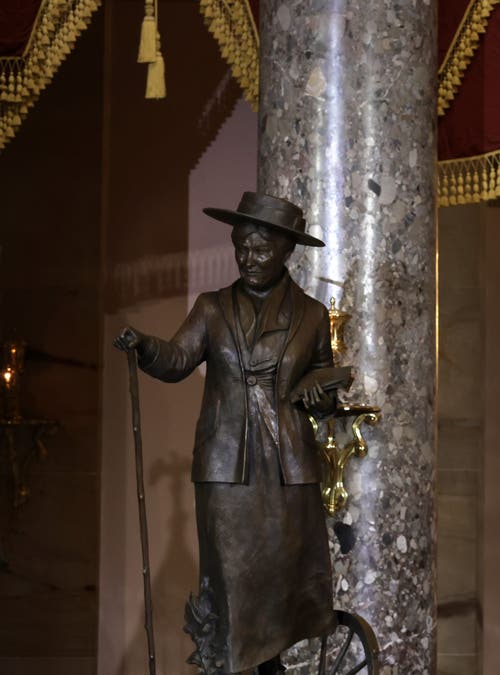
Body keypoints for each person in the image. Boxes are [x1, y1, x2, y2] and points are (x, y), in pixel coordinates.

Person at [114, 192, 339, 675]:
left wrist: (324, 395)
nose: (249, 260)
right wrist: (145, 347)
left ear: (286, 252)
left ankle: (270, 662)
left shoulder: (312, 315)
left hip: (287, 462)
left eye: (261, 250)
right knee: (231, 574)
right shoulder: (212, 308)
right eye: (241, 248)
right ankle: (235, 661)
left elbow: (325, 378)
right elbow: (177, 359)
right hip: (225, 460)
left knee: (284, 570)